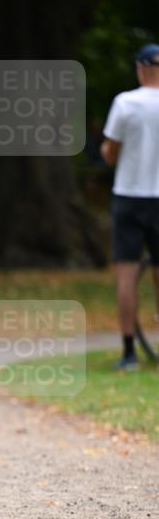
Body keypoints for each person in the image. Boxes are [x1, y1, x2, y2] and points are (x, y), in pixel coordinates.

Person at [101, 43, 159, 371]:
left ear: (140, 68)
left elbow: (111, 152)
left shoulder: (126, 103)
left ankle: (128, 352)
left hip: (130, 193)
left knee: (127, 272)